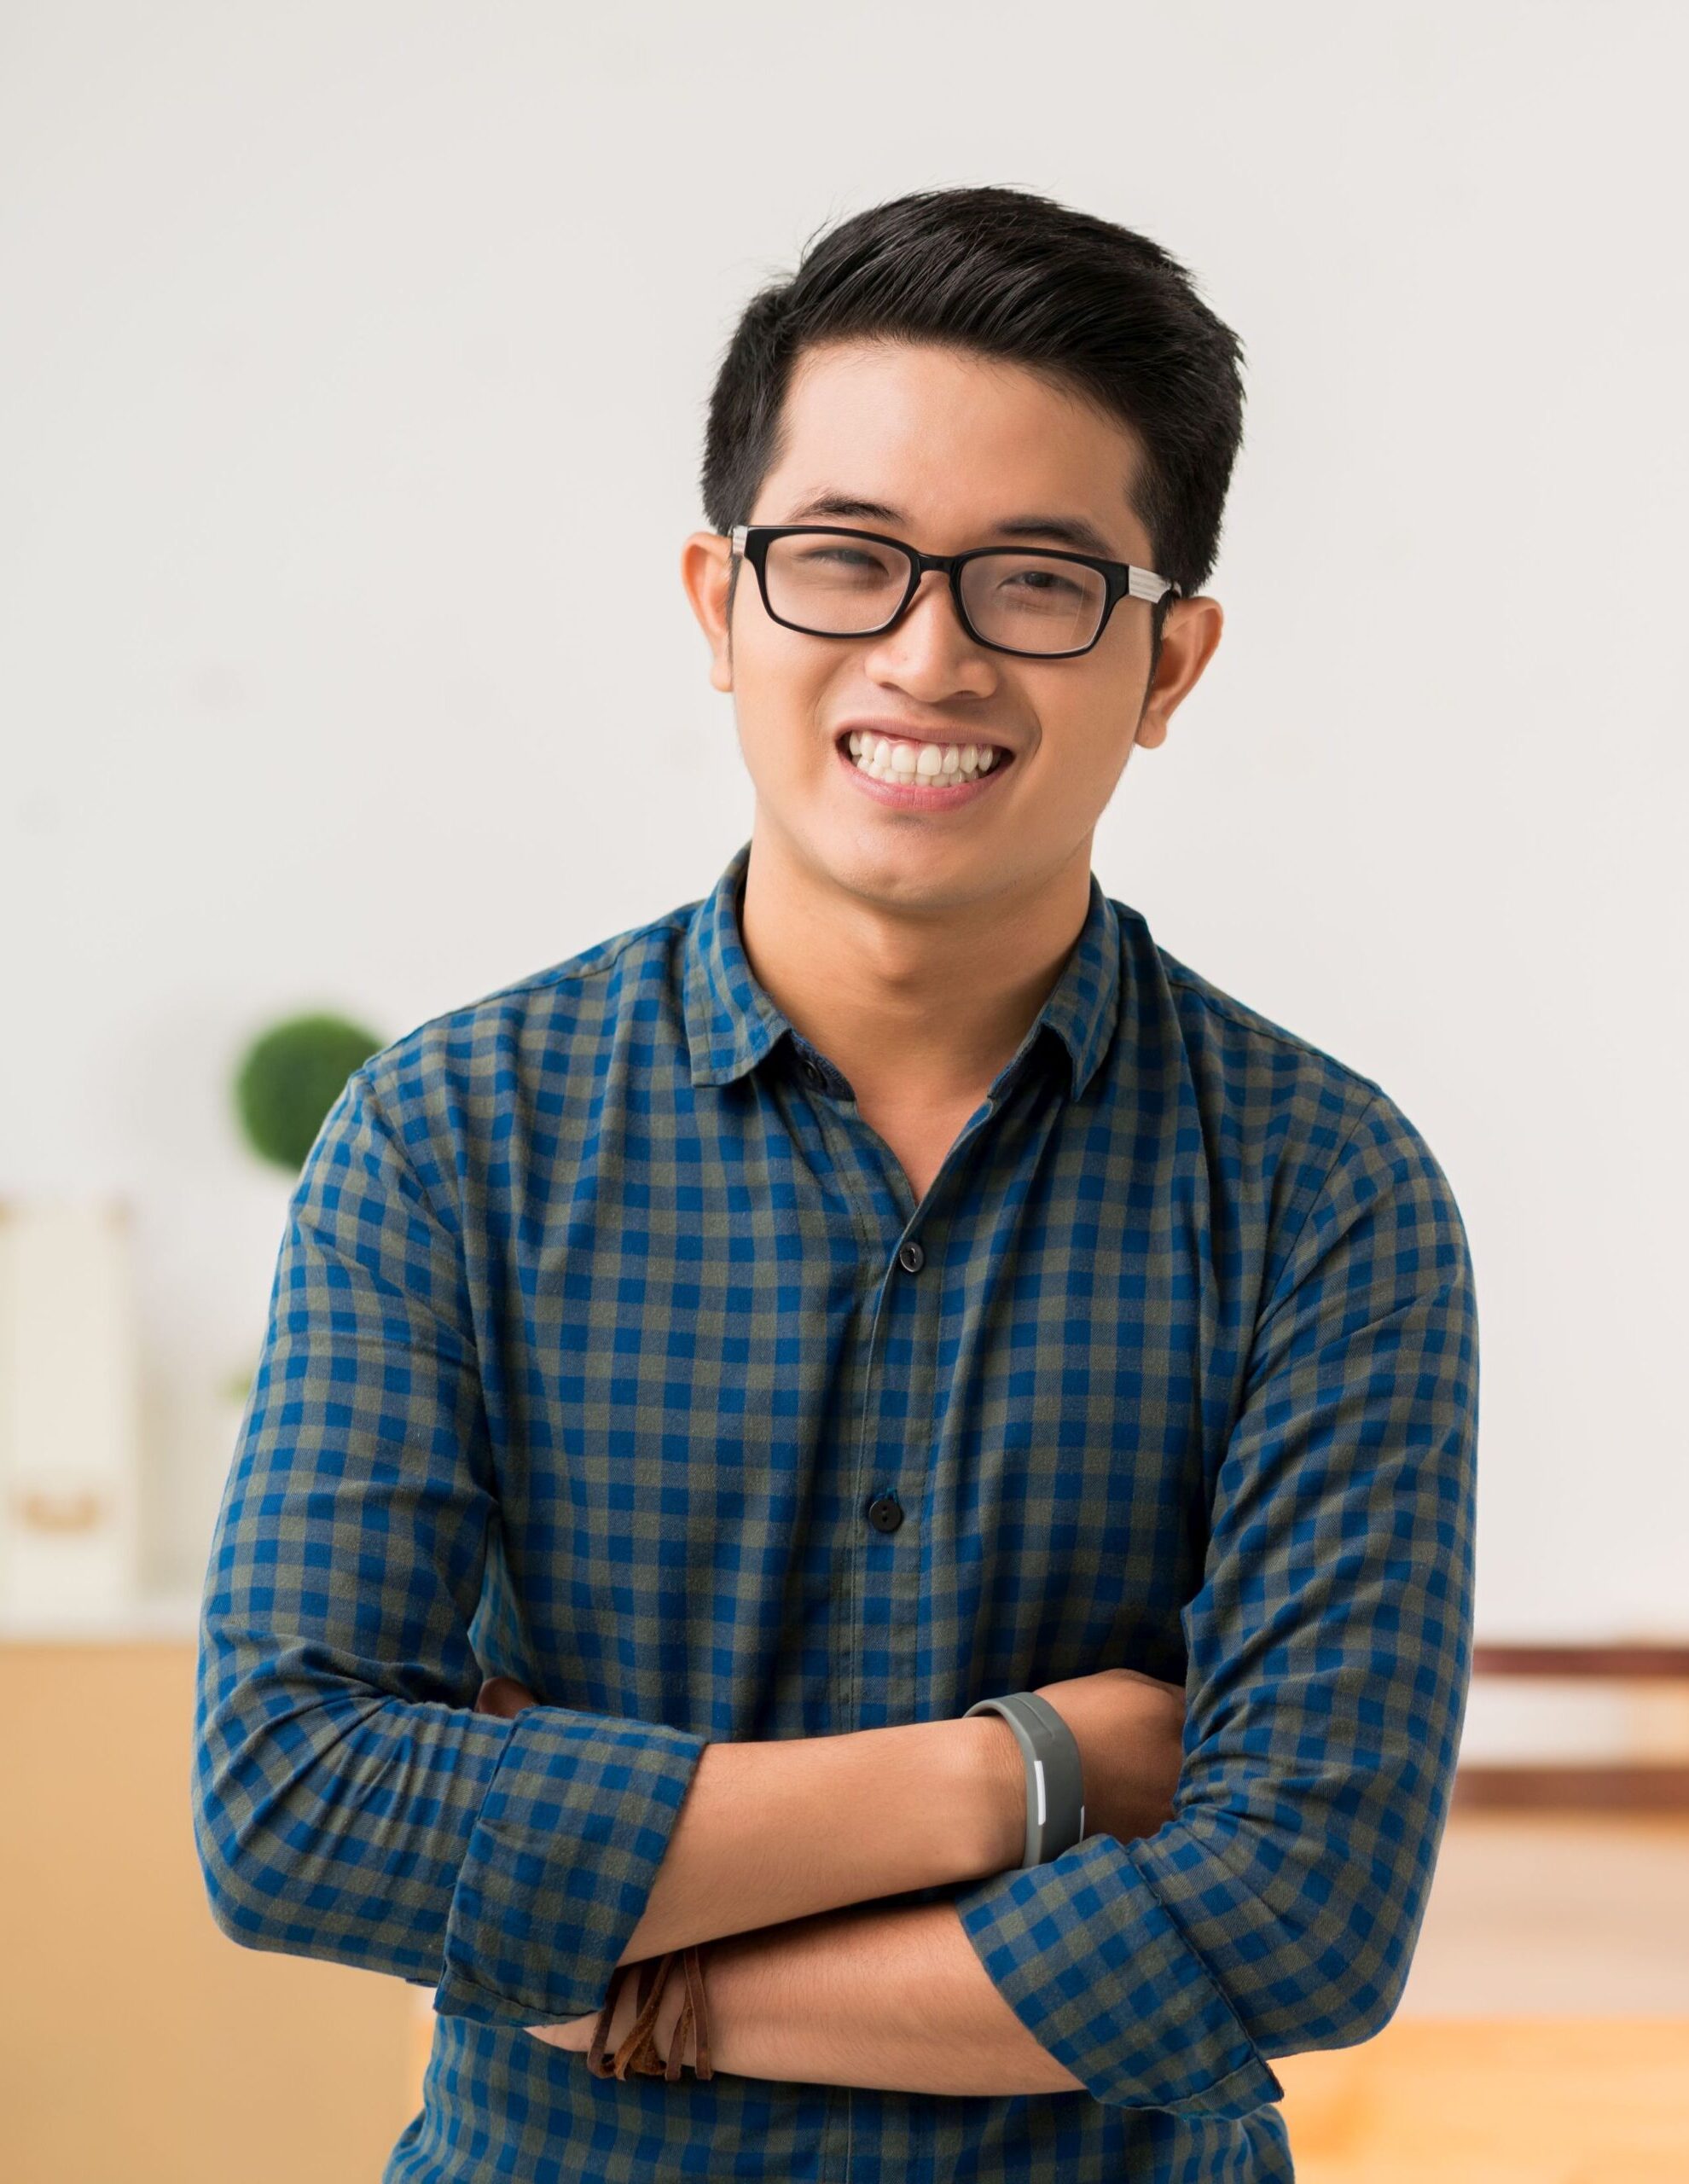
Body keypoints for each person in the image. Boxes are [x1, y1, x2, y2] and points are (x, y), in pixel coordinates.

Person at [193, 185, 1478, 2183]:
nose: (930, 652)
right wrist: (1017, 1772)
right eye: (846, 562)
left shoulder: (1328, 1191)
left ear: (1170, 660)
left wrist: (655, 1980)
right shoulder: (448, 1138)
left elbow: (1299, 1915)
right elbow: (295, 1807)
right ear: (720, 603)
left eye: (1039, 580)